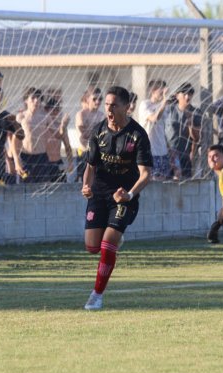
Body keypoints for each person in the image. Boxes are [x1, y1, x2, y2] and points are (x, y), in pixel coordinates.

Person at [81, 85, 153, 310]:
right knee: (92, 247)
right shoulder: (99, 131)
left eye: (114, 105)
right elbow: (90, 166)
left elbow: (146, 174)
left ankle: (97, 295)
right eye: (107, 105)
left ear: (127, 107)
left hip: (124, 196)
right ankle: (113, 240)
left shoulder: (137, 135)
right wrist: (86, 185)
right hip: (99, 193)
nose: (109, 109)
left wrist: (130, 193)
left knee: (108, 243)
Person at [14, 87, 53, 183]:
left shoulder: (46, 117)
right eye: (33, 98)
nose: (36, 101)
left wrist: (63, 126)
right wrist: (16, 161)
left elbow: (58, 135)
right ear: (26, 100)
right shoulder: (20, 117)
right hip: (26, 158)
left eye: (39, 98)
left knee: (43, 190)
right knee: (26, 190)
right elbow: (14, 141)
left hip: (41, 157)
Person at [164, 82, 201, 179]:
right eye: (184, 93)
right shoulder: (169, 110)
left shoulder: (196, 112)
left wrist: (190, 122)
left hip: (185, 155)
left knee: (185, 183)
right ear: (177, 96)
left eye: (190, 94)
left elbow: (196, 138)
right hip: (167, 154)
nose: (187, 96)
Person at [138, 79, 171, 181]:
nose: (163, 93)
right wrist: (164, 102)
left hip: (162, 151)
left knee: (163, 181)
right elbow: (154, 118)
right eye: (161, 91)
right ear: (153, 91)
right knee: (150, 181)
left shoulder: (164, 106)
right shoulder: (145, 104)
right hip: (150, 151)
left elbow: (162, 127)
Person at [75, 87, 104, 181]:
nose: (98, 101)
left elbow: (104, 136)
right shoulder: (81, 114)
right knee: (84, 182)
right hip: (84, 153)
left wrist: (91, 131)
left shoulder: (101, 115)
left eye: (100, 99)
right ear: (87, 99)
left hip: (98, 153)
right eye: (94, 99)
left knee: (98, 182)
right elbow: (83, 135)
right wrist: (96, 132)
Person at [44, 88, 73, 182]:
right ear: (47, 110)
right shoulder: (42, 126)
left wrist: (70, 163)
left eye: (58, 110)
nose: (56, 113)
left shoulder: (61, 126)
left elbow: (68, 146)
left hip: (58, 162)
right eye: (54, 110)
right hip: (45, 163)